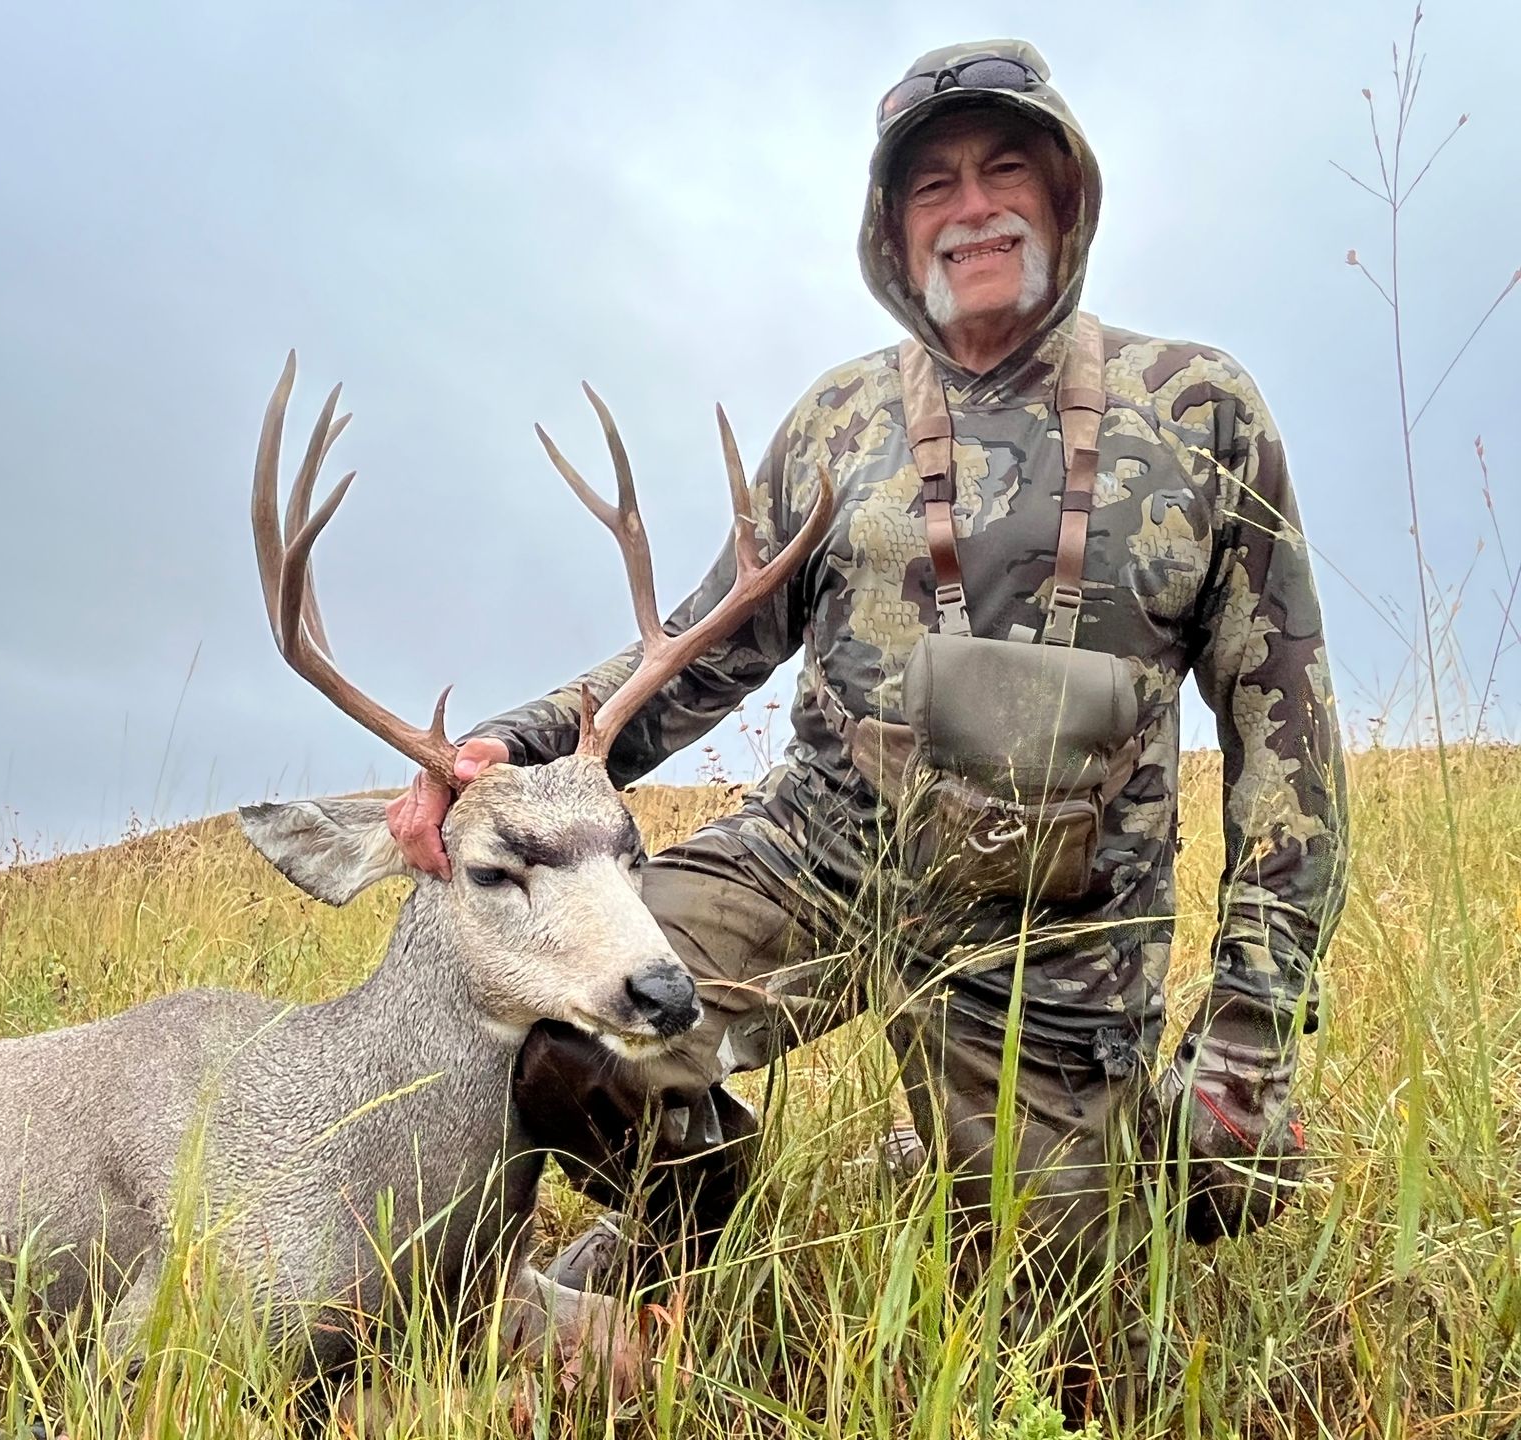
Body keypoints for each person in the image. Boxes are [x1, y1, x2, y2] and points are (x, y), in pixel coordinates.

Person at [387, 38, 1346, 1414]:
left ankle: (1153, 1166)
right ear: (894, 231)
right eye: (934, 184)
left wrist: (1251, 1026)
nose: (973, 206)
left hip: (1056, 939)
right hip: (820, 861)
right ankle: (686, 1235)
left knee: (1067, 1368)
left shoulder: (1198, 408)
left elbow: (1290, 746)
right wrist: (499, 747)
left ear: (1067, 197)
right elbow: (690, 661)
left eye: (1007, 167)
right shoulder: (839, 424)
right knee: (571, 1029)